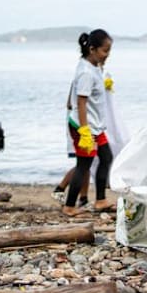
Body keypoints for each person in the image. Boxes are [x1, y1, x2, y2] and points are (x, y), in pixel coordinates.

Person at [53, 29, 115, 216]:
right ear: (93, 49)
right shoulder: (86, 72)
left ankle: (101, 200)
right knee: (84, 164)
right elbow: (81, 102)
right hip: (84, 126)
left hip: (96, 125)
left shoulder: (94, 66)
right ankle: (70, 206)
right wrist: (84, 131)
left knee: (106, 158)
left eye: (109, 51)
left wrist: (105, 82)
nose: (107, 55)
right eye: (105, 51)